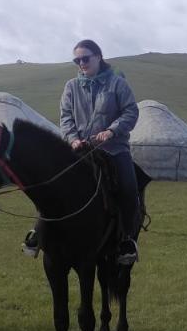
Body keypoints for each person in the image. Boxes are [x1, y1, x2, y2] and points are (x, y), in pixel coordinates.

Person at [45, 39, 142, 265]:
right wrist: (72, 139)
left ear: (98, 57)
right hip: (80, 149)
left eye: (85, 58)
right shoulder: (71, 87)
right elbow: (66, 117)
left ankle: (127, 240)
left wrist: (111, 131)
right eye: (77, 60)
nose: (81, 63)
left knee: (129, 189)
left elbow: (131, 112)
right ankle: (41, 232)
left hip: (113, 148)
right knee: (52, 184)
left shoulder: (117, 84)